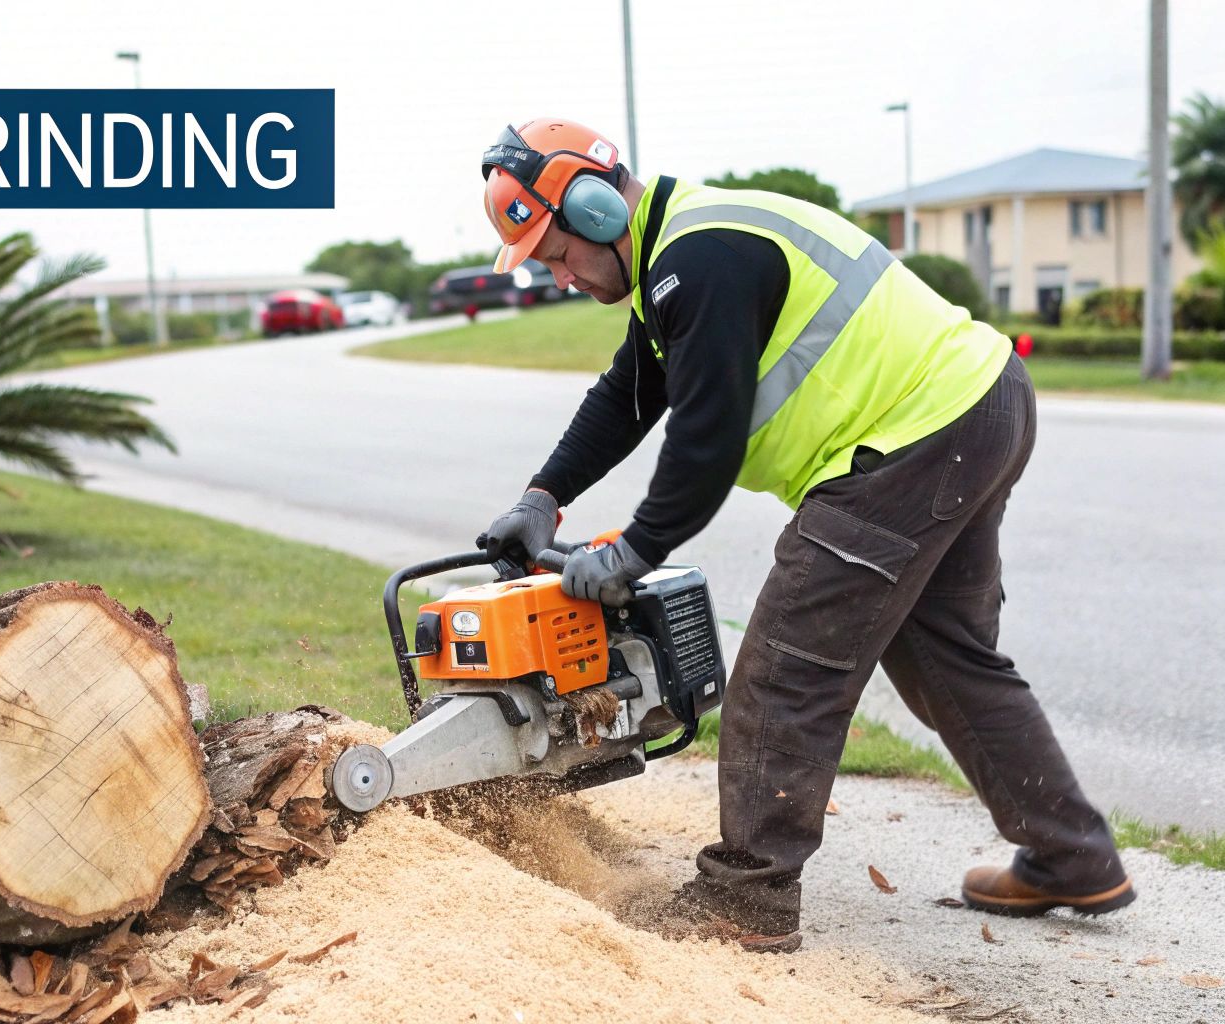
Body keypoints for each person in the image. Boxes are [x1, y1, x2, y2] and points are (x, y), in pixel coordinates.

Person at [475, 117, 1132, 953]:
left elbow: (704, 438)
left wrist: (636, 550)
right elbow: (631, 391)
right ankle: (1073, 856)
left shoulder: (698, 257)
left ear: (596, 209)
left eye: (555, 253)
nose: (559, 275)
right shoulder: (676, 259)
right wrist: (544, 496)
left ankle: (744, 903)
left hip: (913, 439)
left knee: (786, 670)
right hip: (975, 404)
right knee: (946, 658)